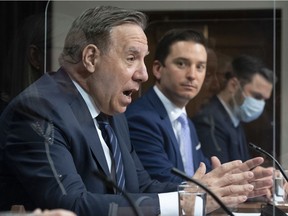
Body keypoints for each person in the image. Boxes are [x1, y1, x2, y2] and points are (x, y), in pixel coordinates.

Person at [0, 6, 272, 216]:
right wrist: (186, 202)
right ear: (91, 58)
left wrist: (209, 189)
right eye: (131, 58)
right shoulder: (38, 110)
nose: (143, 74)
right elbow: (71, 204)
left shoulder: (112, 113)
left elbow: (141, 188)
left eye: (143, 60)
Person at [125, 29, 212, 183]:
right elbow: (162, 180)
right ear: (158, 69)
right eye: (181, 63)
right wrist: (215, 185)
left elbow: (202, 171)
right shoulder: (140, 118)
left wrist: (244, 180)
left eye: (200, 67)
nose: (192, 75)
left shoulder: (186, 122)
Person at [192, 54, 274, 163]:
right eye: (257, 96)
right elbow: (219, 172)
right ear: (234, 85)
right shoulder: (209, 122)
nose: (260, 104)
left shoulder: (234, 119)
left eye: (265, 99)